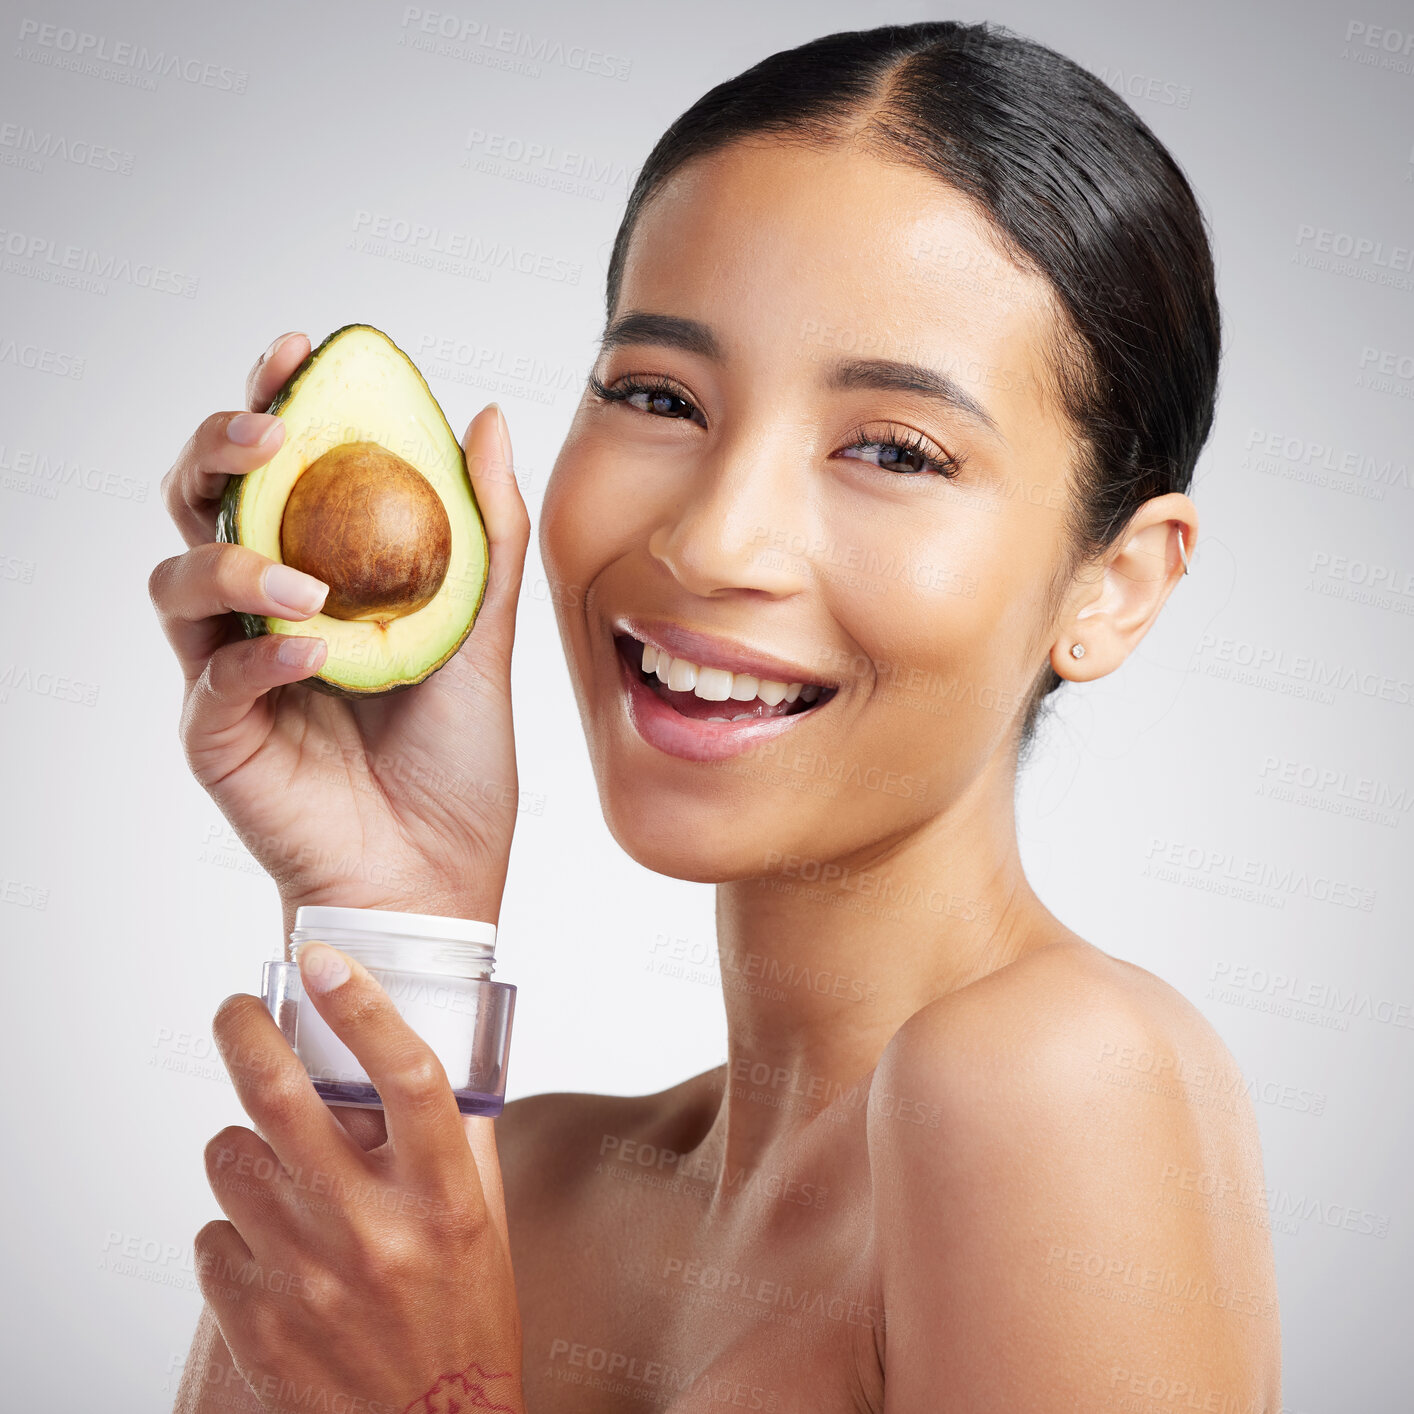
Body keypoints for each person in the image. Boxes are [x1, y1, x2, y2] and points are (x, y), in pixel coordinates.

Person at [151, 19, 1282, 1413]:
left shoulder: (1053, 1082)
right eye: (657, 395)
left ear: (1111, 585)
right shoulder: (538, 1189)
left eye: (890, 448)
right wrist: (397, 902)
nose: (714, 538)